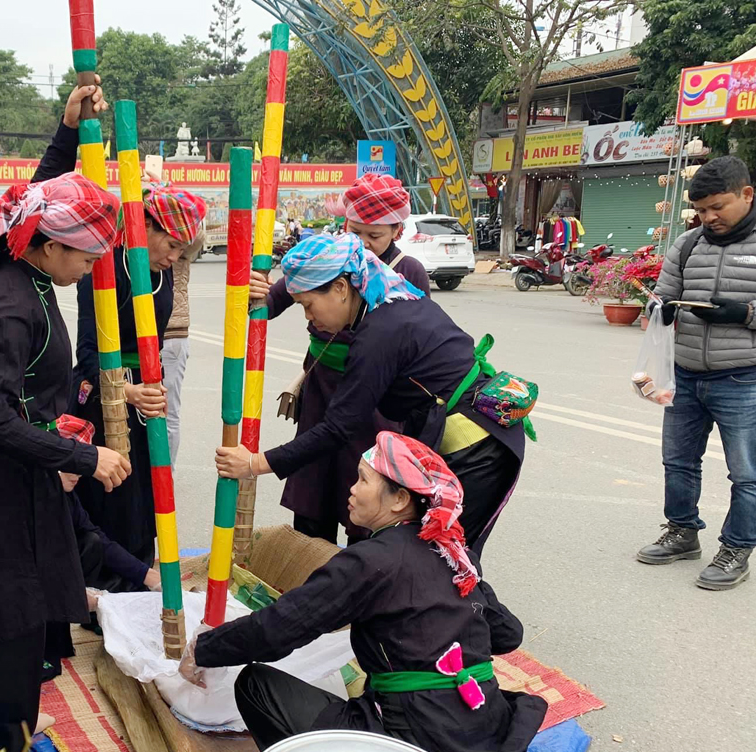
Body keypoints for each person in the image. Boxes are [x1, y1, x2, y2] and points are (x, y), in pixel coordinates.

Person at [183, 432, 545, 752]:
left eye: (364, 480)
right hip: (480, 736)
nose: (351, 489)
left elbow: (281, 627)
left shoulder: (374, 560)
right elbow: (508, 635)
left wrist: (205, 648)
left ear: (399, 501)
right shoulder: (454, 552)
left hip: (418, 743)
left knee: (256, 684)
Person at [0, 171, 130, 752]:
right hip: (3, 481)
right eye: (86, 255)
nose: (91, 266)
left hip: (26, 469)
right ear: (49, 245)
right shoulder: (10, 304)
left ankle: (14, 724)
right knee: (10, 615)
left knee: (28, 606)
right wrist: (82, 459)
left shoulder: (32, 281)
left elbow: (25, 399)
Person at [218, 233, 525, 554]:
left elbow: (338, 428)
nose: (309, 317)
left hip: (477, 448)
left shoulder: (379, 330)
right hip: (467, 434)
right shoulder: (389, 301)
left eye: (308, 305)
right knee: (429, 551)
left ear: (339, 289)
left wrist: (254, 463)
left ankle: (469, 606)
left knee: (446, 556)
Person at [0, 415, 160, 702]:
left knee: (90, 543)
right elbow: (13, 573)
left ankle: (34, 640)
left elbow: (94, 537)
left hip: (24, 585)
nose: (77, 474)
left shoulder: (63, 494)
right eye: (70, 465)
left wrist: (147, 576)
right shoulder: (14, 499)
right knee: (13, 663)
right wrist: (82, 597)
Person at [246, 176, 430, 544]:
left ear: (397, 230)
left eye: (373, 236)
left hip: (376, 403)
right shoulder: (327, 257)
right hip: (322, 393)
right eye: (355, 231)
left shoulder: (409, 272)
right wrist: (253, 293)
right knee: (314, 495)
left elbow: (417, 348)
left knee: (368, 500)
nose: (363, 244)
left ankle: (359, 578)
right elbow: (268, 306)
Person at [639, 155, 756, 590]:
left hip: (745, 378)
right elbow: (662, 294)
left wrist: (745, 313)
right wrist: (659, 310)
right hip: (685, 373)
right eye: (701, 210)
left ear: (746, 194)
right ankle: (682, 531)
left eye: (718, 207)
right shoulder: (688, 243)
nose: (709, 217)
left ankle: (736, 548)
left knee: (747, 473)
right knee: (678, 462)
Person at [73, 184, 207, 564]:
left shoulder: (163, 275)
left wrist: (152, 389)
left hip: (146, 402)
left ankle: (142, 579)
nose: (176, 256)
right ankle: (105, 592)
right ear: (145, 225)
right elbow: (85, 354)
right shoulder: (104, 268)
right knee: (112, 501)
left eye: (183, 249)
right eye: (171, 245)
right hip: (105, 399)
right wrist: (128, 393)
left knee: (147, 499)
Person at [162, 225, 204, 464]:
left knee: (168, 412)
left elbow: (198, 237)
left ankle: (166, 474)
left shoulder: (178, 247)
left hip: (172, 334)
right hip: (139, 335)